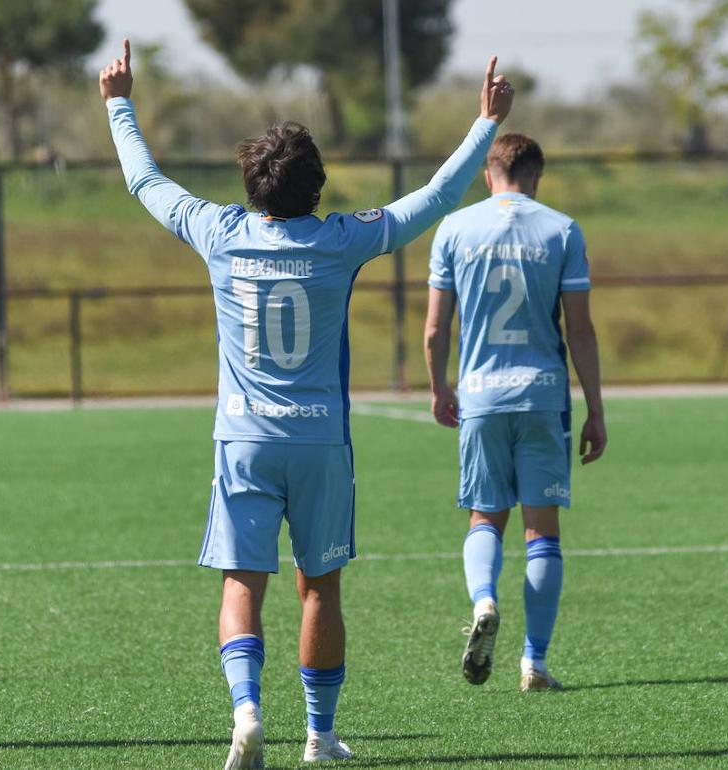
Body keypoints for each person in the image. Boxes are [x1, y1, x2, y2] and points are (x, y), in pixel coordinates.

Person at [99, 39, 513, 768]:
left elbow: (145, 181)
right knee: (319, 588)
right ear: (316, 187)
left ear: (251, 183)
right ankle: (319, 736)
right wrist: (485, 124)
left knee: (241, 584)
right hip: (320, 442)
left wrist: (120, 103)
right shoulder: (340, 240)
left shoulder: (219, 233)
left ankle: (248, 711)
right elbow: (438, 198)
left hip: (244, 441)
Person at [423, 132, 605, 692]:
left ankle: (483, 602)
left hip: (479, 395)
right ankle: (535, 663)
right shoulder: (561, 229)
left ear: (487, 175)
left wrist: (439, 389)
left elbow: (434, 330)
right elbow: (578, 328)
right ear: (537, 176)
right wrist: (596, 408)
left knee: (485, 518)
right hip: (543, 395)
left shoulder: (454, 228)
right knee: (541, 535)